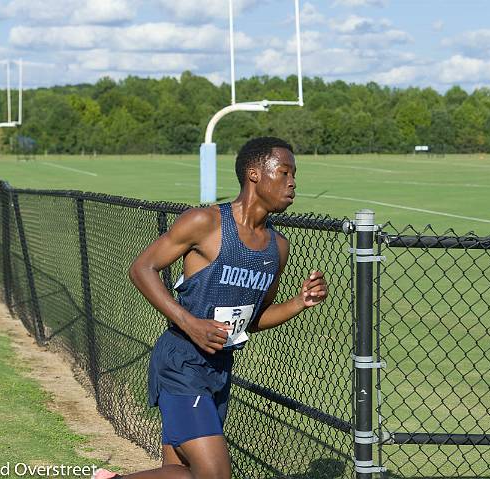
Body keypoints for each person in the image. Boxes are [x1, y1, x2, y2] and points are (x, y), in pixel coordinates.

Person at [93, 137, 328, 479]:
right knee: (215, 475)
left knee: (181, 472)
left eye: (295, 175)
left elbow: (254, 319)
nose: (292, 183)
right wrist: (190, 324)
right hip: (181, 360)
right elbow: (141, 268)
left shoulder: (278, 247)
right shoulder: (206, 222)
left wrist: (298, 303)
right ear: (254, 175)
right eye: (283, 172)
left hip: (218, 368)